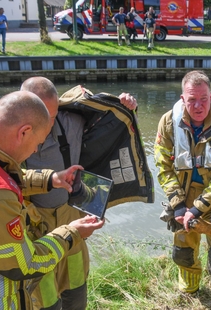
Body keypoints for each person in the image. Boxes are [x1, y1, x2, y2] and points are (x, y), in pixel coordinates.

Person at [0, 91, 104, 310]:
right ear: (24, 132)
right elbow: (23, 265)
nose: (36, 149)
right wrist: (72, 233)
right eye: (38, 142)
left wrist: (50, 179)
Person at [21, 77, 139, 310]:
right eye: (39, 116)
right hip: (33, 231)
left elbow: (109, 121)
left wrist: (126, 105)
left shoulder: (71, 121)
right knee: (45, 300)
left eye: (51, 116)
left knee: (76, 296)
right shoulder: (9, 136)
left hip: (70, 220)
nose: (46, 124)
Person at [154, 70, 211, 309]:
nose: (198, 105)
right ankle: (190, 290)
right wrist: (179, 204)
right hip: (184, 196)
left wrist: (198, 208)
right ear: (182, 98)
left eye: (203, 99)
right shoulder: (167, 122)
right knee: (182, 251)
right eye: (192, 99)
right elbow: (162, 165)